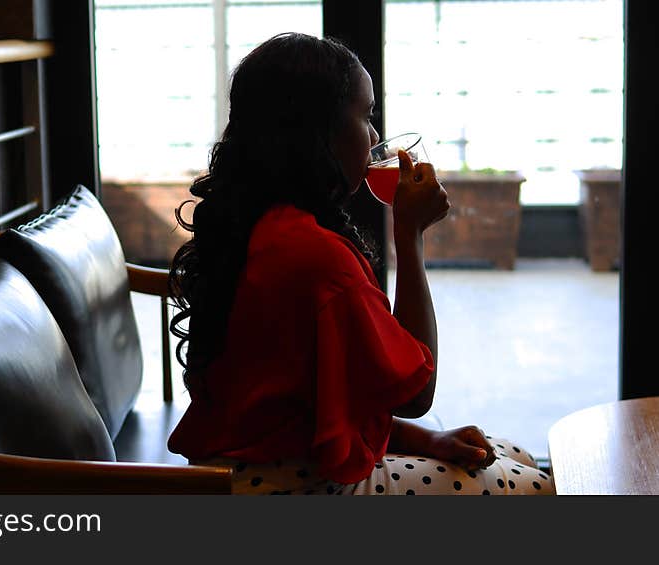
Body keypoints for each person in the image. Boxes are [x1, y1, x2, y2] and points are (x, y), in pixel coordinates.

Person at [166, 32, 554, 495]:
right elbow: (414, 394)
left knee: (519, 459)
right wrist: (408, 236)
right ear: (315, 130)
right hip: (284, 486)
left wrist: (428, 441)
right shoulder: (317, 258)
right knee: (537, 489)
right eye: (365, 115)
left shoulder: (259, 224)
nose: (374, 137)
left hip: (247, 469)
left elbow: (311, 405)